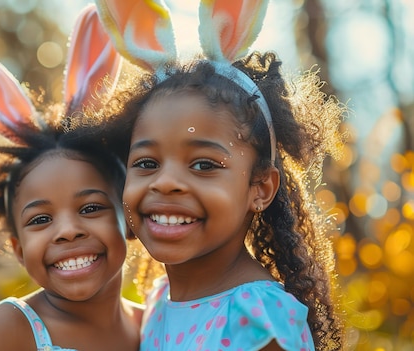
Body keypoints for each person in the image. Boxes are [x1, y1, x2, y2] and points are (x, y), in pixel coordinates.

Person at [86, 0, 347, 350]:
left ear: (260, 188)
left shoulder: (257, 319)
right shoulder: (159, 301)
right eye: (147, 163)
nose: (165, 182)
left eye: (204, 165)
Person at [0, 5, 142, 351]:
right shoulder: (13, 328)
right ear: (18, 249)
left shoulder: (157, 325)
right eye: (40, 219)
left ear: (129, 219)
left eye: (90, 208)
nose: (68, 230)